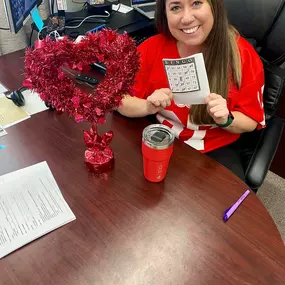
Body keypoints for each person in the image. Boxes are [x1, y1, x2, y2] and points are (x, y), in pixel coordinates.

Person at [116, 0, 265, 181]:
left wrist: (226, 119)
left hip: (215, 150)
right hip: (162, 138)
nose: (186, 18)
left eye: (196, 3)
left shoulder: (242, 54)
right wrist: (147, 106)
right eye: (176, 8)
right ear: (164, 14)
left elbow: (250, 120)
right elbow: (119, 100)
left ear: (213, 6)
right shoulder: (152, 47)